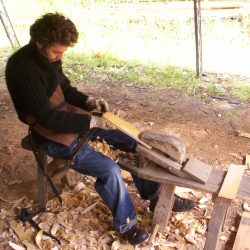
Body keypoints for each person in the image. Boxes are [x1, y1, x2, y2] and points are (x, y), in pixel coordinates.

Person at [5, 12, 195, 245]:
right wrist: (90, 122)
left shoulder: (50, 59)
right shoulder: (21, 68)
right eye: (57, 52)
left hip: (67, 118)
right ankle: (127, 224)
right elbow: (45, 118)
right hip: (47, 132)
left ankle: (156, 196)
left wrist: (89, 102)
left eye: (63, 52)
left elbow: (65, 89)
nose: (60, 57)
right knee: (109, 169)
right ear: (39, 43)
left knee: (131, 141)